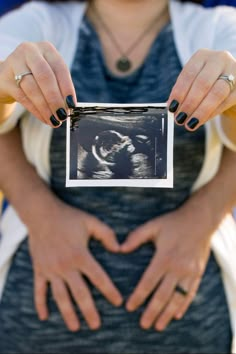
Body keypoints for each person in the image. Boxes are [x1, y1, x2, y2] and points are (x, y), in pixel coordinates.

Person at [0, 0, 236, 353]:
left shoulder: (222, 30)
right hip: (36, 322)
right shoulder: (35, 23)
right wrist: (41, 214)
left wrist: (203, 216)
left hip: (191, 322)